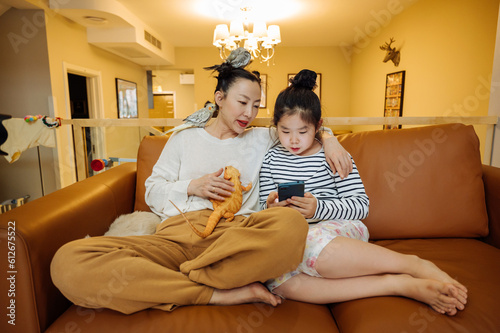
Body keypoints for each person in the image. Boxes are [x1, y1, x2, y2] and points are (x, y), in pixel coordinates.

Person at [50, 49, 353, 314]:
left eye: (256, 105)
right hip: (176, 238)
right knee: (67, 263)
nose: (249, 113)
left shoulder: (264, 137)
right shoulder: (183, 138)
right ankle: (214, 292)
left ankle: (168, 282)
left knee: (291, 225)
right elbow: (153, 191)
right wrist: (192, 186)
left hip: (236, 238)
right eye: (242, 102)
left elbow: (301, 128)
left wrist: (329, 139)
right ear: (220, 98)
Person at [258, 69, 468, 316]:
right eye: (285, 131)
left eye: (302, 132)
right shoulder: (272, 158)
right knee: (279, 283)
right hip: (292, 235)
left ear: (318, 127)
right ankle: (396, 284)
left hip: (336, 230)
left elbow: (361, 205)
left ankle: (413, 264)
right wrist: (271, 208)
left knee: (310, 243)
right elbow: (263, 205)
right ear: (276, 127)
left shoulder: (334, 156)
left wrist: (319, 208)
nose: (293, 140)